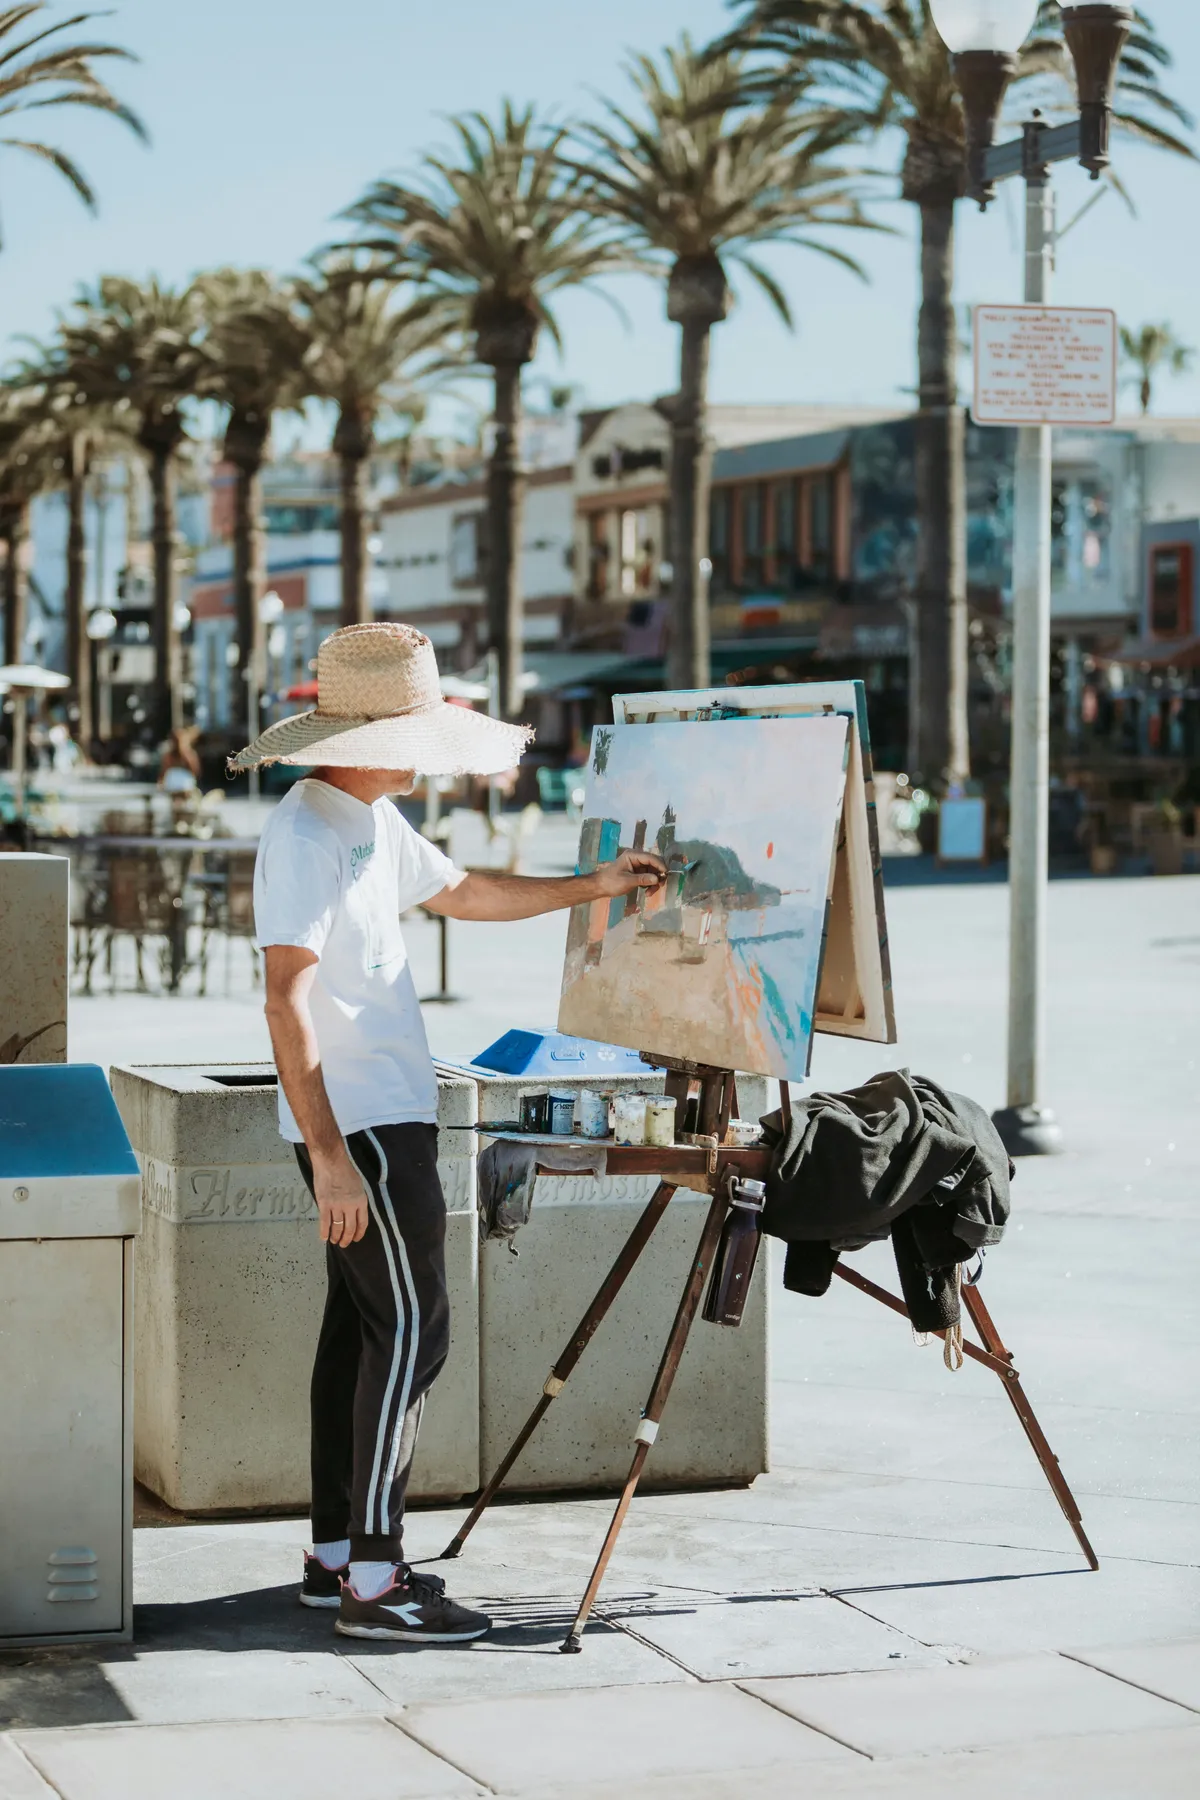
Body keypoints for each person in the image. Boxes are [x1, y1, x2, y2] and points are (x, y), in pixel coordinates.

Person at [231, 623, 664, 1646]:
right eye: (413, 732)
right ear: (361, 732)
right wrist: (330, 1153)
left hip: (384, 1120)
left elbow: (465, 894)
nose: (429, 753)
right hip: (364, 1131)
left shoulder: (369, 821)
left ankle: (336, 1554)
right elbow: (283, 1006)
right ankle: (375, 1584)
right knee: (414, 1334)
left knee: (363, 1333)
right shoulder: (306, 834)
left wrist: (593, 886)